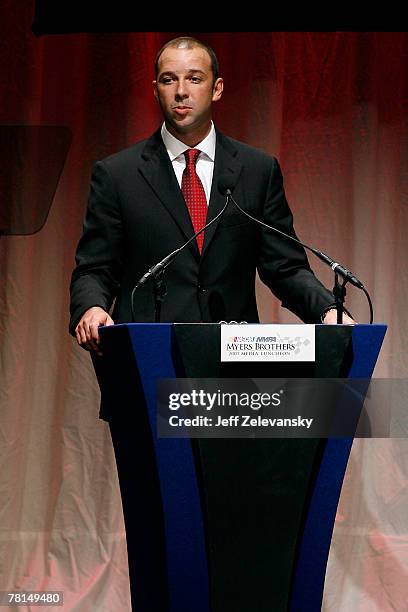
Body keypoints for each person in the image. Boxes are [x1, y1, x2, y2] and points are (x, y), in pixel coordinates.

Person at [69, 36, 354, 611]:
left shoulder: (255, 170)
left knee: (235, 530)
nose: (181, 90)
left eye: (194, 78)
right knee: (162, 529)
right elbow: (93, 268)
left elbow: (283, 264)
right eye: (169, 79)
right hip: (150, 380)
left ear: (217, 88)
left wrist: (326, 308)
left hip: (234, 382)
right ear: (155, 88)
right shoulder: (119, 174)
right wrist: (91, 308)